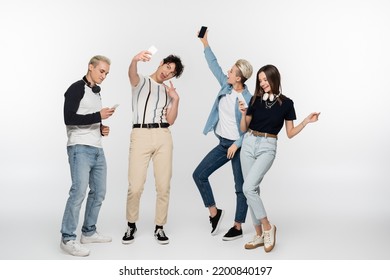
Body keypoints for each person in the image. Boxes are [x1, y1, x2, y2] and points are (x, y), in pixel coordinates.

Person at [239, 64, 320, 253]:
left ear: (274, 78)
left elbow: (290, 133)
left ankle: (268, 227)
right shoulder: (254, 100)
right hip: (249, 142)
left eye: (265, 79)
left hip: (268, 146)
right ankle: (259, 234)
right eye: (260, 81)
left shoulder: (287, 103)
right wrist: (243, 115)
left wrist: (306, 121)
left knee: (248, 187)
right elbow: (243, 129)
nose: (262, 83)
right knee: (251, 190)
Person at [192, 30, 252, 241]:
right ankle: (214, 213)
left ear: (239, 77)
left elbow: (251, 130)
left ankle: (238, 226)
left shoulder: (248, 98)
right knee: (199, 174)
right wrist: (205, 42)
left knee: (240, 187)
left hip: (239, 146)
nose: (228, 71)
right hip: (222, 144)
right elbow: (214, 65)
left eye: (232, 70)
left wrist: (237, 143)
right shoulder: (225, 85)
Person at [122, 49, 184, 245]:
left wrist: (176, 100)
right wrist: (134, 60)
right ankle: (131, 224)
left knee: (163, 185)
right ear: (161, 63)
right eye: (168, 67)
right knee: (135, 186)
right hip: (140, 134)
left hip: (163, 135)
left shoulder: (168, 91)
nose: (168, 73)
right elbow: (131, 74)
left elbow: (171, 120)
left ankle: (159, 227)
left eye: (172, 72)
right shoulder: (141, 81)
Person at [61, 55, 115, 257]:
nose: (104, 76)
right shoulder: (76, 88)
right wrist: (98, 117)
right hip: (79, 148)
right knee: (78, 192)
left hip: (97, 148)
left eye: (107, 73)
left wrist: (101, 128)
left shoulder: (96, 93)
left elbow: (89, 116)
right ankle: (67, 238)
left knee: (99, 192)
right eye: (101, 71)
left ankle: (89, 232)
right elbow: (69, 118)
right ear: (90, 67)